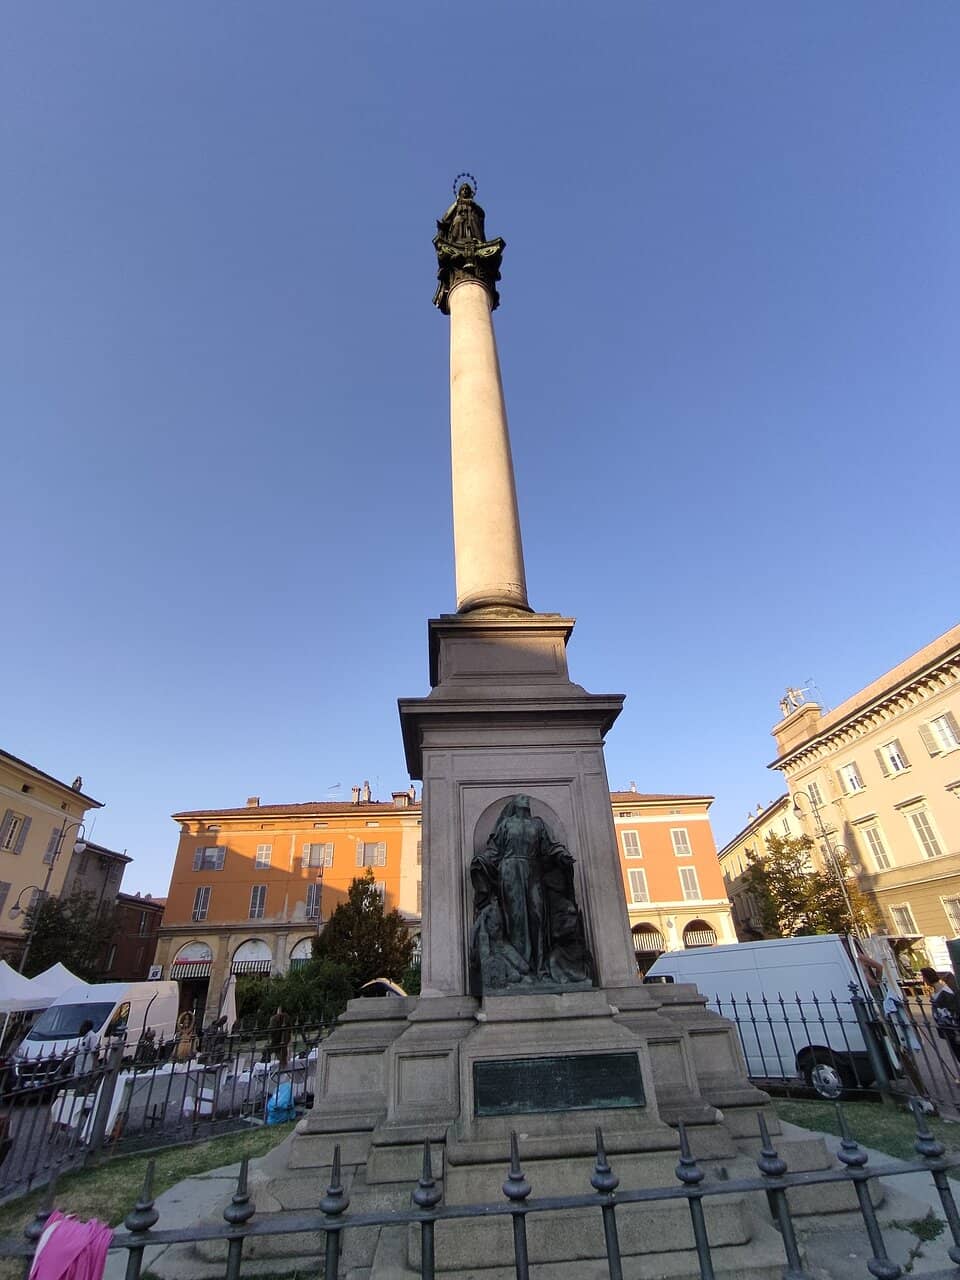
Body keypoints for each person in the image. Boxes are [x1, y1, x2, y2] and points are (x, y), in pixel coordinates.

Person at [920, 967, 960, 1083]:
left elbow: (955, 1012)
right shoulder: (936, 993)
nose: (923, 980)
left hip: (953, 1029)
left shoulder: (946, 993)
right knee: (957, 1052)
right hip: (947, 1029)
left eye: (924, 977)